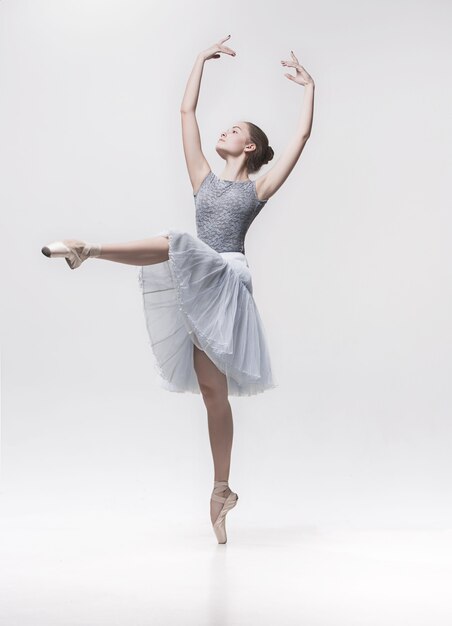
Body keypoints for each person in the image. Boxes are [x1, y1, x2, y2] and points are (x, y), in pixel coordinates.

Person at [41, 35, 315, 543]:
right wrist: (197, 62)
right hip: (197, 277)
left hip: (225, 278)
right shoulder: (203, 178)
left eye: (236, 129)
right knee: (212, 394)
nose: (224, 130)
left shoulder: (255, 188)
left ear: (249, 147)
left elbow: (298, 141)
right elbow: (186, 111)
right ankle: (222, 491)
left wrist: (309, 89)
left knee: (176, 241)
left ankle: (91, 249)